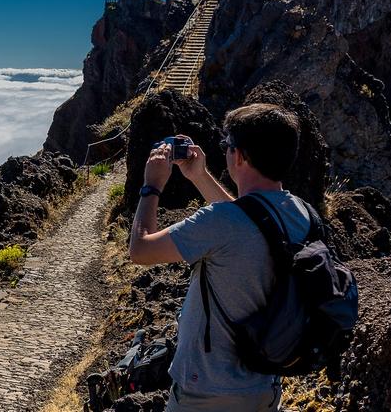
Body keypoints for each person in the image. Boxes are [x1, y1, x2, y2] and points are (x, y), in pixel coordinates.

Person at [128, 103, 311, 411]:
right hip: (265, 386)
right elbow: (250, 219)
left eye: (228, 145)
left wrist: (151, 186)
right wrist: (199, 177)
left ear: (239, 156)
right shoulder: (302, 214)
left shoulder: (218, 223)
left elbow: (141, 250)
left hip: (207, 390)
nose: (226, 150)